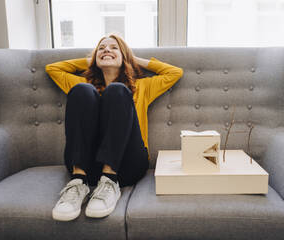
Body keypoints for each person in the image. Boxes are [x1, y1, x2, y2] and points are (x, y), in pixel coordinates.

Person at [45, 34, 183, 221]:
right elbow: (52, 69)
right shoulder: (82, 84)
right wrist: (93, 61)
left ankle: (110, 181)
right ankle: (78, 183)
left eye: (113, 48)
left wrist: (134, 60)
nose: (107, 50)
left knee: (117, 90)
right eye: (101, 48)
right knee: (81, 90)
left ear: (124, 56)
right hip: (88, 165)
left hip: (127, 165)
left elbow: (175, 72)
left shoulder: (142, 87)